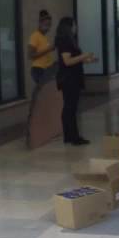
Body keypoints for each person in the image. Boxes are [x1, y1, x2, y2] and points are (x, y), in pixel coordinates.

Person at [54, 16, 96, 145]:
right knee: (70, 108)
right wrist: (84, 55)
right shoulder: (65, 41)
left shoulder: (70, 40)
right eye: (74, 25)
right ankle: (73, 137)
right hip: (69, 79)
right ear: (69, 27)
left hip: (72, 77)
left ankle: (70, 136)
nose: (76, 28)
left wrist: (87, 60)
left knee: (70, 107)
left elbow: (74, 59)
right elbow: (67, 61)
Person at [28, 10, 57, 89]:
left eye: (50, 25)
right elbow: (31, 55)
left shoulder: (44, 37)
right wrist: (48, 49)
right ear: (40, 23)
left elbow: (46, 52)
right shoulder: (35, 36)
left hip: (47, 69)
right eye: (47, 24)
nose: (48, 27)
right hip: (38, 70)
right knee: (44, 92)